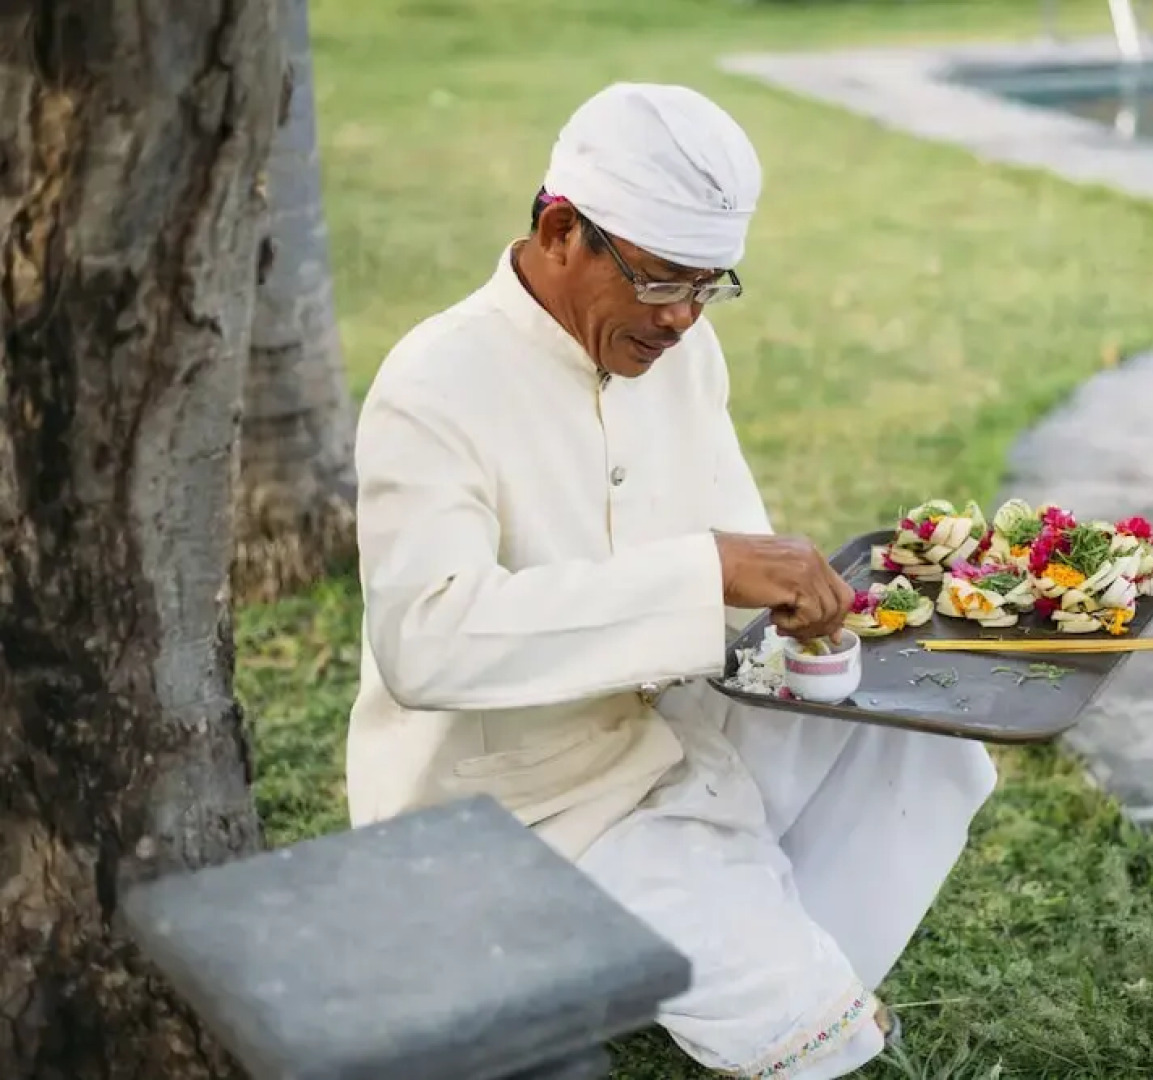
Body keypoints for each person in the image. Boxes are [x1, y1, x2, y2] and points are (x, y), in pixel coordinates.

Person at [345, 81, 998, 1079]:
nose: (685, 318)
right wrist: (709, 573)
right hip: (524, 809)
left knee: (929, 744)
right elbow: (424, 641)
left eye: (710, 285)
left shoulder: (678, 351)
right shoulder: (438, 380)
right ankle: (781, 987)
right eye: (660, 282)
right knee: (818, 1037)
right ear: (561, 230)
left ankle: (771, 956)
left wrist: (817, 616)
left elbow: (735, 568)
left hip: (679, 727)